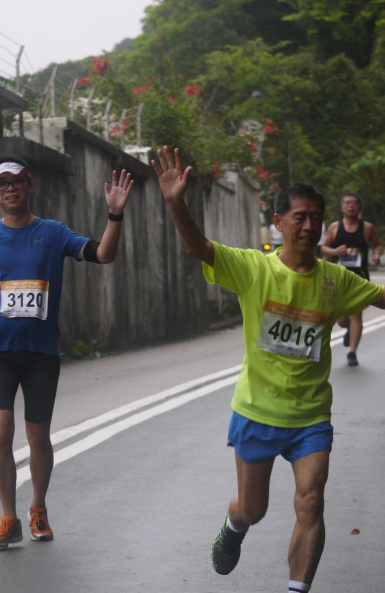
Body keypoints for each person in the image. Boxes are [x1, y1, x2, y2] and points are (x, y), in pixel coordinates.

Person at [151, 146, 385, 593]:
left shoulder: (335, 280)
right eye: (299, 216)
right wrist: (175, 202)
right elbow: (197, 247)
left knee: (311, 502)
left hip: (310, 417)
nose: (309, 225)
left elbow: (382, 298)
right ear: (278, 223)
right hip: (257, 412)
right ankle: (234, 526)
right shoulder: (252, 269)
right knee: (252, 509)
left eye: (316, 216)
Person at [0, 157, 133, 548]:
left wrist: (114, 215)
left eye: (18, 181)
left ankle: (38, 507)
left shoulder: (53, 233)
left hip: (41, 353)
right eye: (2, 183)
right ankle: (9, 518)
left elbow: (103, 255)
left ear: (30, 186)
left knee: (38, 436)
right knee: (0, 429)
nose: (11, 188)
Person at [321, 192, 383, 366]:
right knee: (342, 320)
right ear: (342, 207)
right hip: (338, 278)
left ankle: (352, 352)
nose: (351, 206)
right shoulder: (334, 227)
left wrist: (377, 254)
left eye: (355, 203)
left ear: (359, 207)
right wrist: (334, 252)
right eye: (347, 203)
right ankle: (348, 329)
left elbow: (378, 245)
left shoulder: (367, 228)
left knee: (356, 316)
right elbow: (324, 248)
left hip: (359, 278)